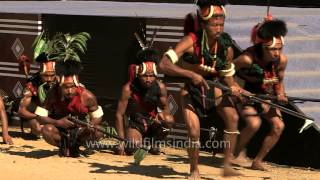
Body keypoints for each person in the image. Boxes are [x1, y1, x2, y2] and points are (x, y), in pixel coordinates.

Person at [158, 0, 243, 177]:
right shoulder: (190, 41)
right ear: (203, 24)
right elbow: (164, 64)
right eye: (214, 25)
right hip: (191, 91)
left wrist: (233, 86)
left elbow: (226, 72)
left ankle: (226, 165)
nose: (219, 29)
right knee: (194, 131)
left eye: (222, 24)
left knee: (233, 117)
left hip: (215, 89)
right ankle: (194, 170)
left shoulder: (226, 47)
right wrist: (191, 75)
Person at [233, 18, 288, 171]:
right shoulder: (247, 58)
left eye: (280, 48)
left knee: (279, 126)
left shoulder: (282, 60)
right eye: (273, 50)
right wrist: (238, 88)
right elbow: (226, 73)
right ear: (263, 47)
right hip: (245, 95)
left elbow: (279, 81)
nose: (277, 53)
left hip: (266, 96)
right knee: (254, 124)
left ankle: (257, 161)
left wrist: (281, 94)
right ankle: (235, 151)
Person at [115, 48, 174, 155]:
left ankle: (155, 143)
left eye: (151, 76)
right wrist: (121, 142)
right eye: (145, 76)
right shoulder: (128, 89)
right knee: (133, 147)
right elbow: (119, 115)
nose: (148, 79)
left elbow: (166, 109)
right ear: (138, 73)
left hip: (153, 124)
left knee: (169, 120)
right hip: (136, 124)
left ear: (155, 75)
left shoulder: (160, 87)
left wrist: (161, 115)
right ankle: (136, 142)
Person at [18, 53, 56, 138]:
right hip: (36, 113)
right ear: (40, 74)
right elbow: (21, 111)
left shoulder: (59, 83)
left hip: (53, 113)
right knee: (38, 130)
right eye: (46, 76)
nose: (49, 79)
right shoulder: (32, 85)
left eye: (52, 75)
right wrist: (39, 117)